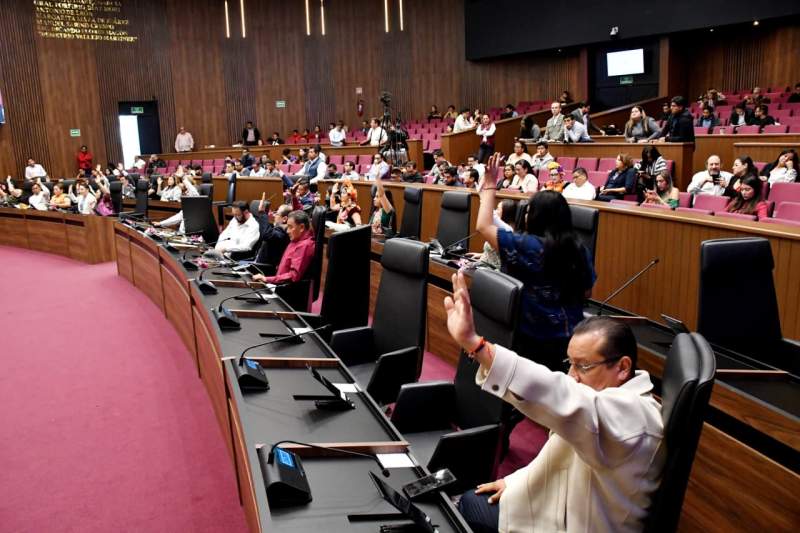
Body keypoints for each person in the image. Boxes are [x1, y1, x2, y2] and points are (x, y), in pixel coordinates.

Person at [448, 294, 663, 533]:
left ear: (623, 367)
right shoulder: (612, 400)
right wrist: (514, 482)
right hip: (564, 506)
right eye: (570, 363)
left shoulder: (634, 417)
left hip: (578, 524)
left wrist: (477, 346)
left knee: (468, 507)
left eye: (583, 366)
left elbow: (557, 392)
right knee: (472, 500)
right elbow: (562, 455)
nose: (572, 375)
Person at [476, 154, 595, 367]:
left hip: (530, 340)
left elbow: (483, 226)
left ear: (538, 217)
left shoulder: (527, 245)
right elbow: (587, 292)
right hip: (570, 340)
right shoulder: (580, 249)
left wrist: (490, 186)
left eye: (529, 212)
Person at [252, 210, 315, 285]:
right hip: (277, 282)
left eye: (290, 227)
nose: (287, 231)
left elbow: (293, 276)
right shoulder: (297, 238)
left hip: (284, 291)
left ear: (301, 227)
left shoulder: (304, 246)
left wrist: (266, 279)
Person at [470, 199, 517, 269]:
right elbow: (495, 254)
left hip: (494, 271)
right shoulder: (497, 228)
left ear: (506, 213)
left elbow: (503, 257)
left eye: (498, 209)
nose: (495, 211)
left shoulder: (508, 232)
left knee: (462, 272)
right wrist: (482, 255)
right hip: (485, 263)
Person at [253, 198, 292, 268]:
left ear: (284, 219)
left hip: (264, 270)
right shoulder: (278, 229)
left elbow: (266, 234)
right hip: (256, 264)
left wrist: (262, 213)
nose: (274, 216)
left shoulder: (283, 233)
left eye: (276, 213)